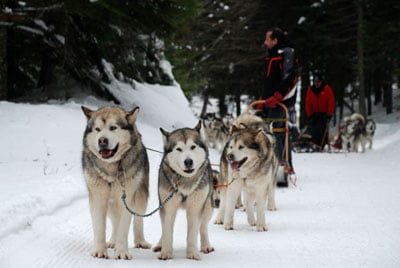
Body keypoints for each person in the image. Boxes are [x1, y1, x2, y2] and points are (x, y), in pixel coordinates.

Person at [259, 27, 298, 184]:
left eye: (267, 39)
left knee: (274, 130)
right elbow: (270, 81)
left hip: (282, 100)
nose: (265, 42)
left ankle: (279, 165)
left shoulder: (286, 53)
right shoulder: (273, 55)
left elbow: (290, 78)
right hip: (271, 101)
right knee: (280, 131)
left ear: (275, 40)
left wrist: (277, 96)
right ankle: (285, 164)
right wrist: (264, 99)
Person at [305, 72, 335, 149]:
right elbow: (308, 103)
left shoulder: (327, 89)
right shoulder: (310, 90)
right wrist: (309, 115)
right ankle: (314, 143)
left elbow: (331, 102)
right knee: (313, 128)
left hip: (324, 114)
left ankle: (322, 144)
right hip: (314, 114)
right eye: (315, 82)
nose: (317, 84)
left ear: (321, 82)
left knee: (322, 128)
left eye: (318, 82)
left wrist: (329, 114)